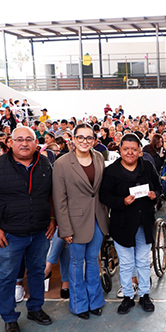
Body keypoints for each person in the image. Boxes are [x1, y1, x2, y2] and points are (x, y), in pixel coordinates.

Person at [0, 127, 56, 332]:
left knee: (37, 271)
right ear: (10, 143)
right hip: (9, 234)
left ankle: (35, 308)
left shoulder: (44, 164)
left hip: (40, 232)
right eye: (19, 139)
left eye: (29, 139)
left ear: (35, 143)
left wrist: (51, 218)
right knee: (6, 277)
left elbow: (49, 195)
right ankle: (9, 318)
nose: (24, 143)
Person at [52, 123, 109, 319]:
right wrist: (65, 228)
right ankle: (79, 305)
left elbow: (100, 191)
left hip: (97, 219)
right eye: (81, 137)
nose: (85, 141)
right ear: (73, 140)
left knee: (93, 262)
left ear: (94, 140)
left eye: (89, 138)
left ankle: (95, 302)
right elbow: (59, 199)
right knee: (77, 264)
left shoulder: (99, 157)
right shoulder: (62, 163)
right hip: (74, 223)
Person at [100, 133, 161, 314]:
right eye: (126, 149)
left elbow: (158, 187)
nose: (130, 152)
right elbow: (105, 196)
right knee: (126, 263)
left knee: (142, 261)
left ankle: (144, 295)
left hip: (144, 222)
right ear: (120, 150)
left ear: (140, 151)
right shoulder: (112, 171)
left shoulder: (147, 167)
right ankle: (127, 296)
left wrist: (154, 195)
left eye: (134, 149)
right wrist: (122, 202)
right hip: (122, 224)